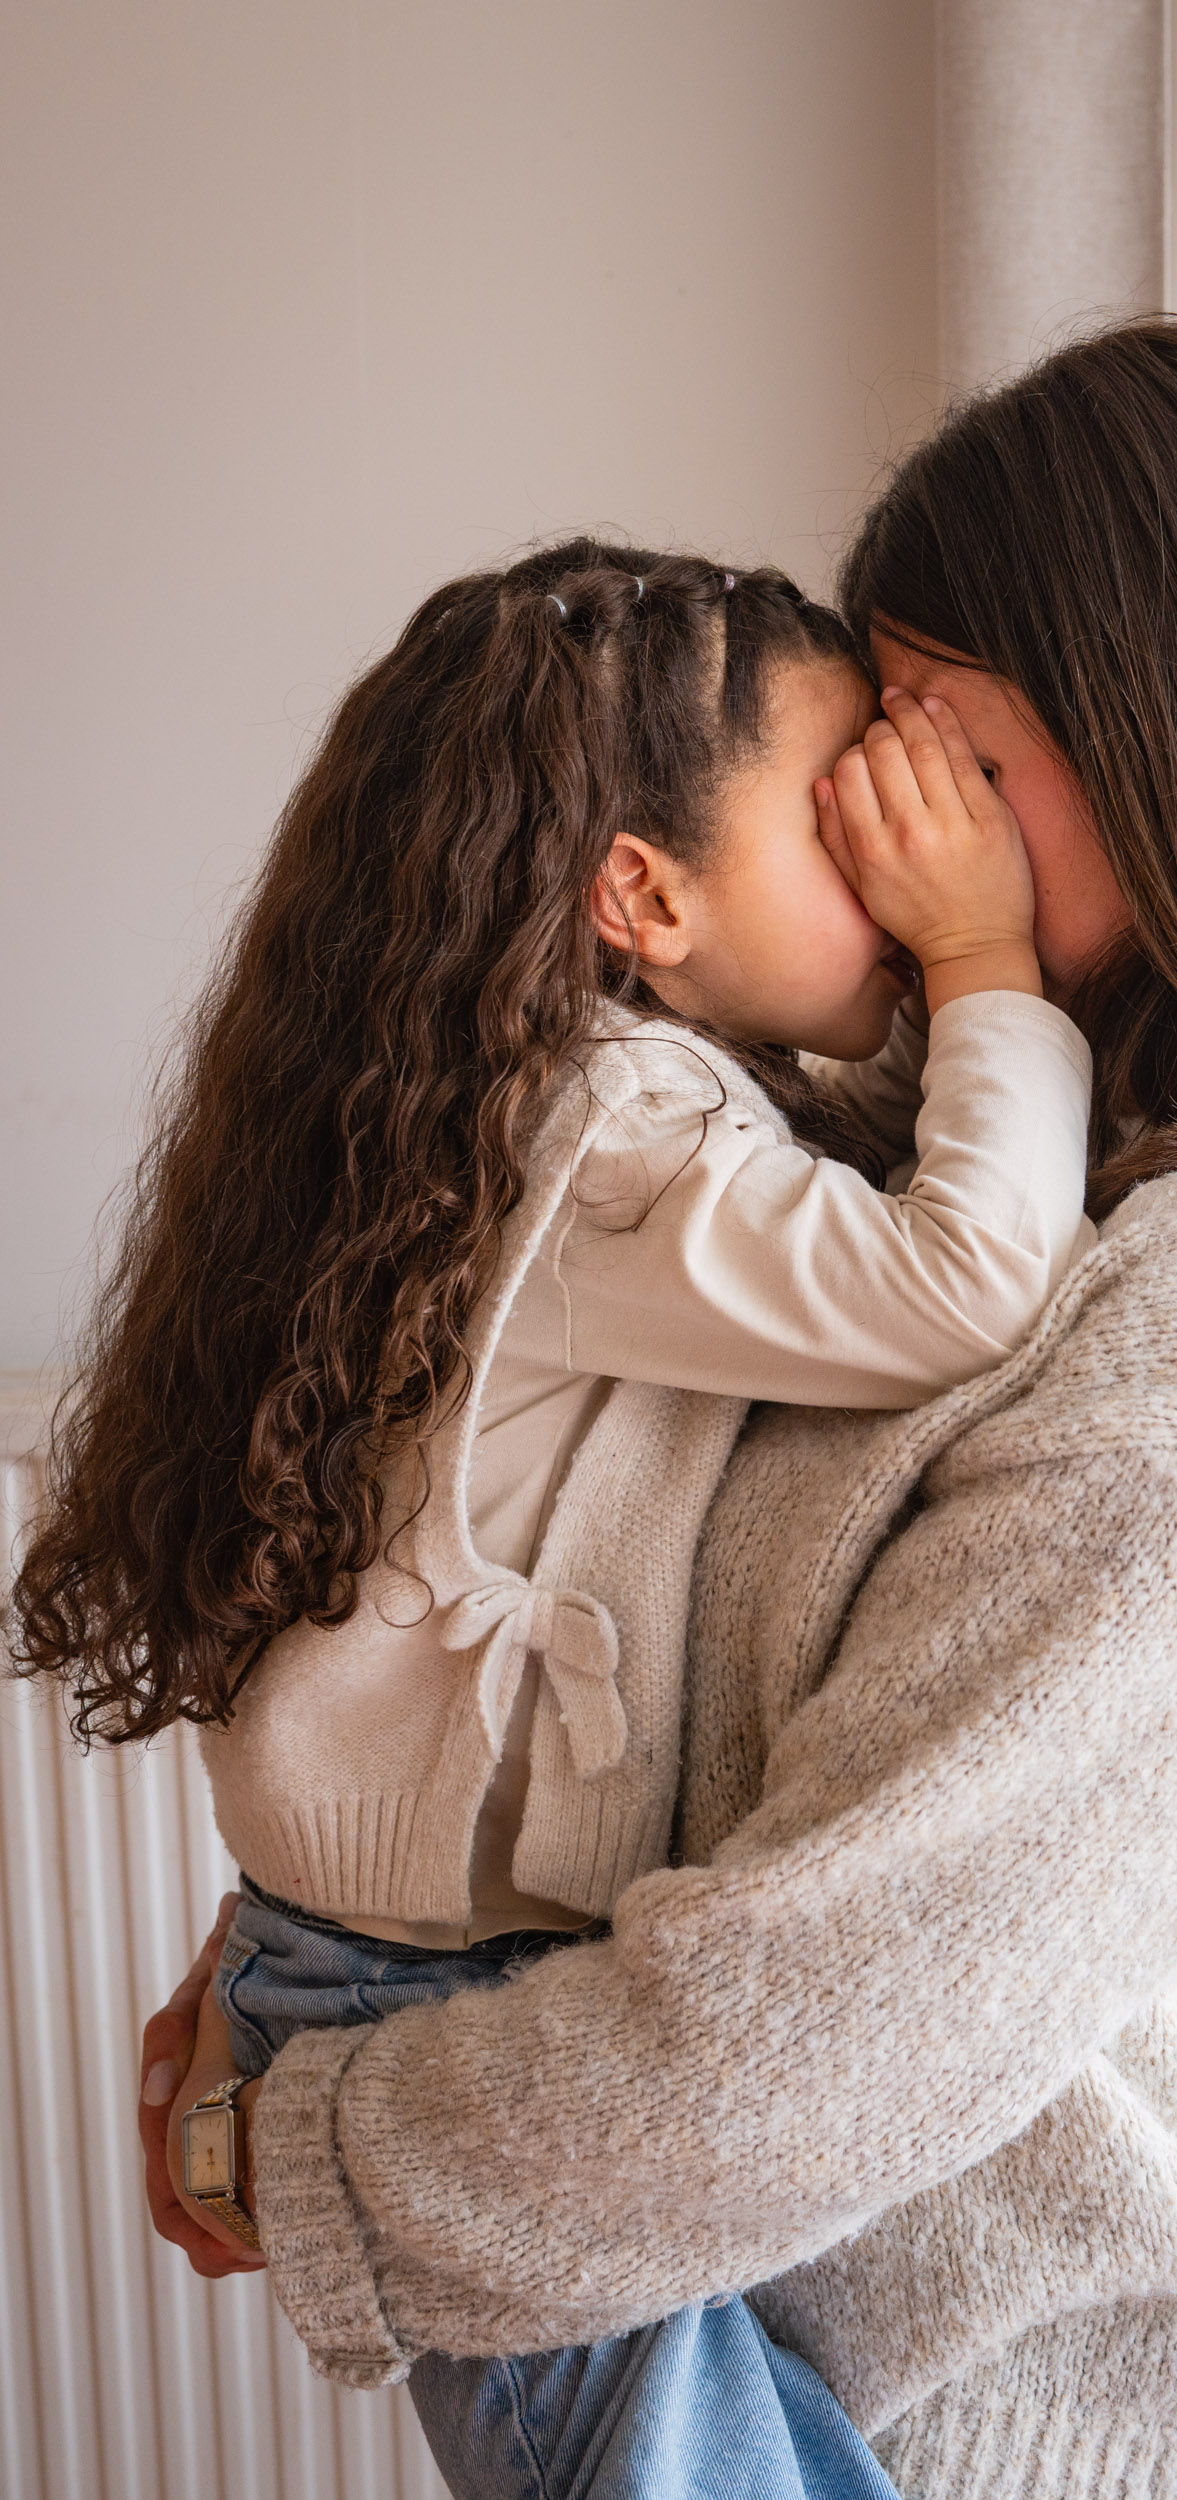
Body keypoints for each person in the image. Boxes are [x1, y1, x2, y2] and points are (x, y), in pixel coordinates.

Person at [134, 317, 1177, 2500]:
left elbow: (792, 2033)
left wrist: (291, 2136)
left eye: (940, 760)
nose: (901, 851)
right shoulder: (925, 1137)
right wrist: (306, 1950)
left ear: (1173, 736)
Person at [9, 543, 1099, 2499]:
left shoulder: (535, 1101)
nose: (894, 834)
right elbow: (968, 1280)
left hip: (364, 1954)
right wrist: (985, 953)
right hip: (434, 1998)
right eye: (841, 795)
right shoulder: (622, 1138)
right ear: (643, 894)